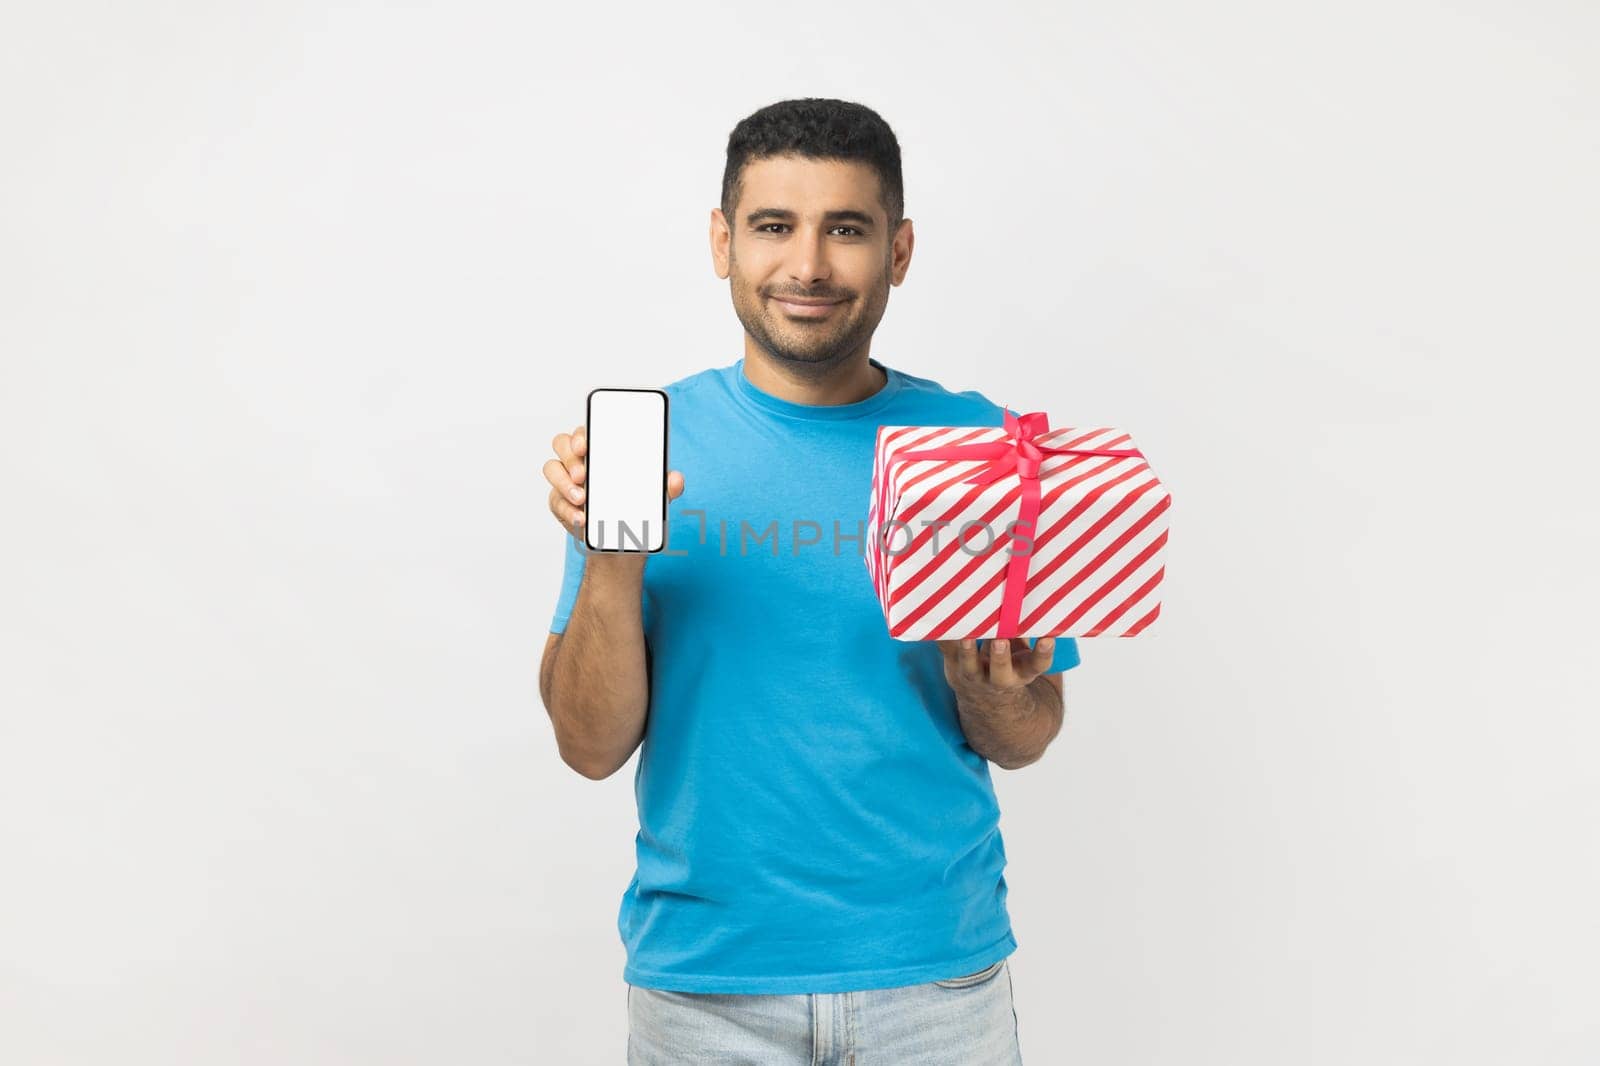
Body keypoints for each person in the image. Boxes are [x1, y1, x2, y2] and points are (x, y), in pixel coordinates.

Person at [539, 98, 1078, 1065]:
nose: (810, 266)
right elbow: (588, 747)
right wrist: (613, 568)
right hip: (705, 990)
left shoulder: (983, 448)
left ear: (900, 250)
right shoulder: (641, 450)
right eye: (774, 226)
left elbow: (1032, 731)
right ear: (722, 241)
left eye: (848, 229)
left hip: (935, 982)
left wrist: (980, 687)